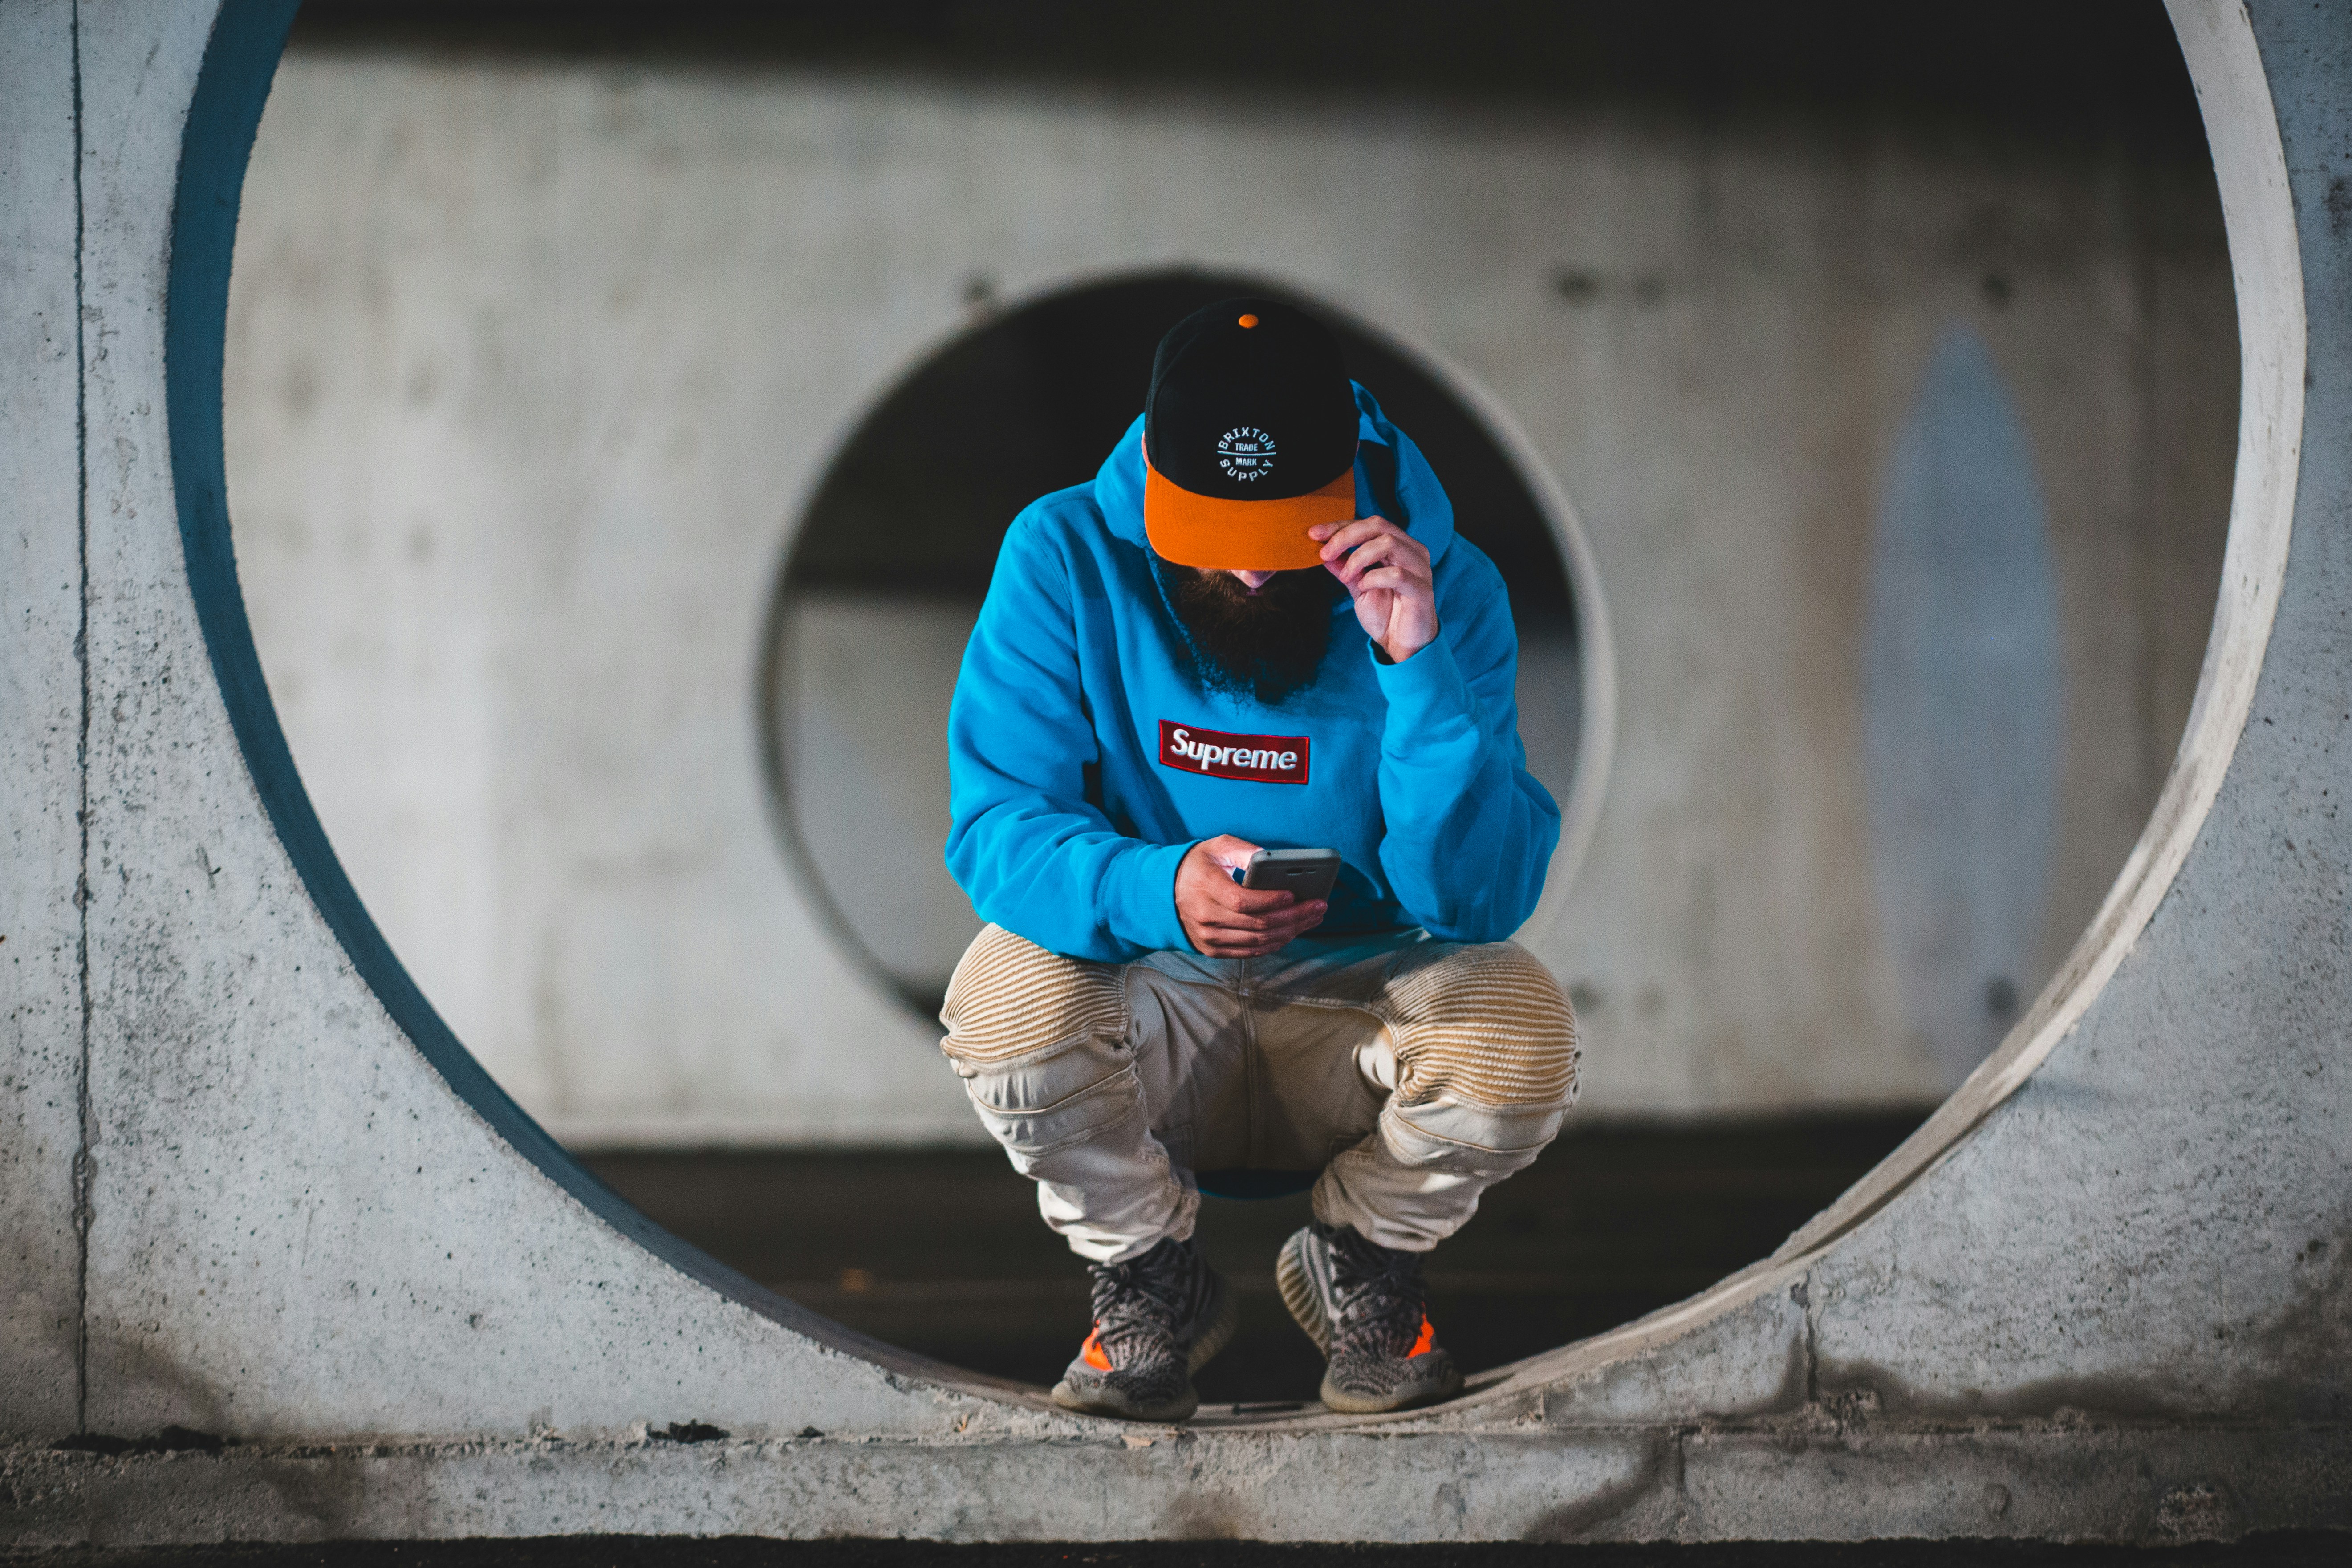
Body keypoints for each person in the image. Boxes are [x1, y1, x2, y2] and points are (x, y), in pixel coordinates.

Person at [938, 297, 1579, 1421]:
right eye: (1215, 540)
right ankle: (1149, 1281)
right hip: (1154, 989)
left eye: (1285, 540)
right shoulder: (1063, 556)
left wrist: (1416, 673)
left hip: (1357, 996)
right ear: (1149, 479)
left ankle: (1362, 1257)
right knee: (1001, 1000)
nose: (1249, 579)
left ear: (1347, 486)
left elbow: (1478, 901)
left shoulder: (1447, 588)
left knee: (1519, 1030)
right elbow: (995, 826)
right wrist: (1155, 888)